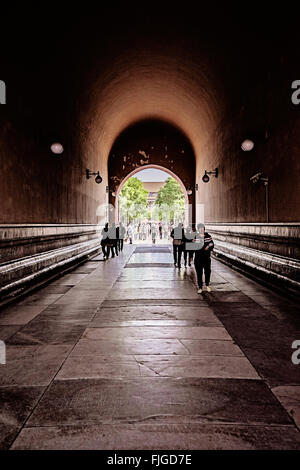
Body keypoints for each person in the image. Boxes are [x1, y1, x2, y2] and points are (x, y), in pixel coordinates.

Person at [194, 223, 214, 293]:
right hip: (198, 258)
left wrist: (208, 246)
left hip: (206, 258)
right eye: (200, 228)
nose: (201, 229)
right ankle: (200, 287)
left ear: (204, 229)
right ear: (198, 229)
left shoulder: (208, 236)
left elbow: (212, 243)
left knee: (207, 271)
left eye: (202, 228)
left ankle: (207, 285)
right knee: (199, 273)